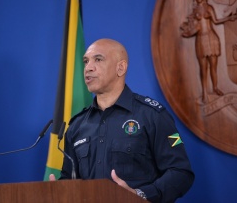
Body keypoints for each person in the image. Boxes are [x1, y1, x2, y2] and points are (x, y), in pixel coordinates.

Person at [49, 38, 194, 202]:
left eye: (98, 59)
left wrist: (141, 195)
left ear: (121, 68)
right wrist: (59, 192)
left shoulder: (152, 115)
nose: (88, 68)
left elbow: (181, 173)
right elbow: (70, 179)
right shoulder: (77, 126)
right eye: (86, 61)